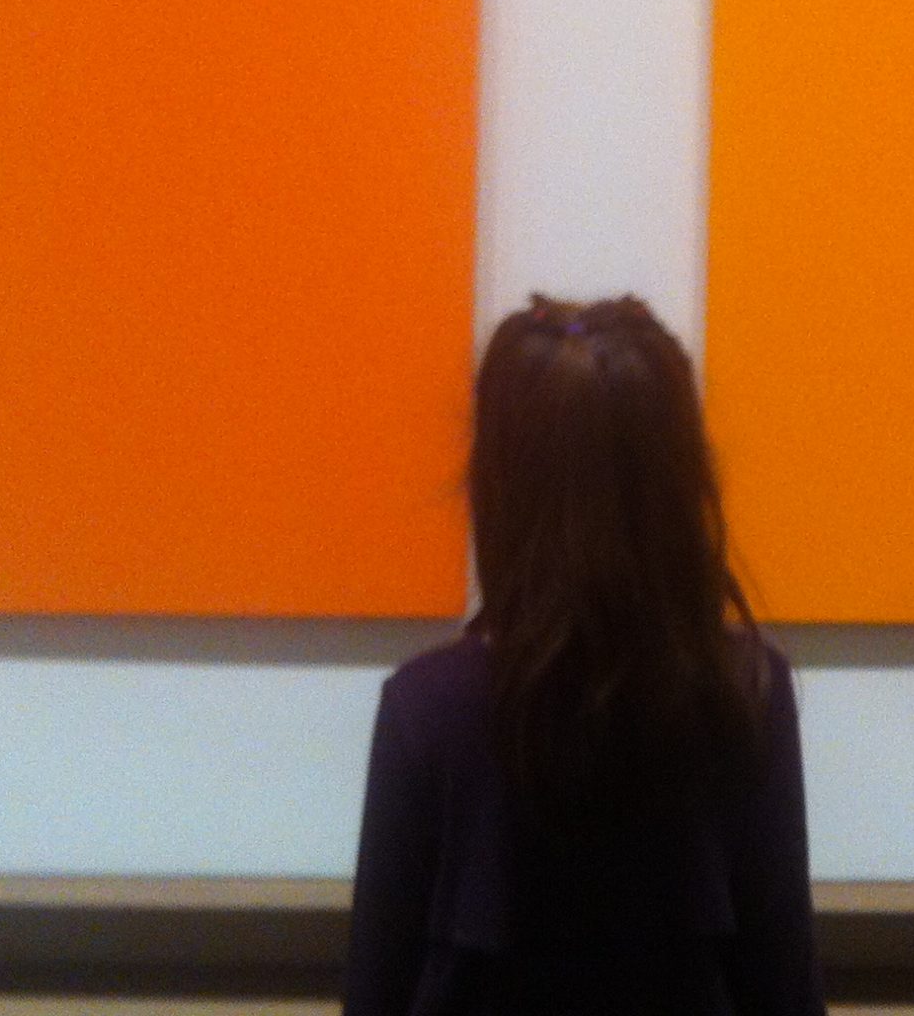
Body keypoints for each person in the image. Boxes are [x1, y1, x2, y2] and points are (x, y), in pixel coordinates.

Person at [344, 295, 823, 1016]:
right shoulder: (745, 693)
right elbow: (784, 987)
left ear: (498, 483)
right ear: (680, 482)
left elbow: (375, 991)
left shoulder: (427, 708)